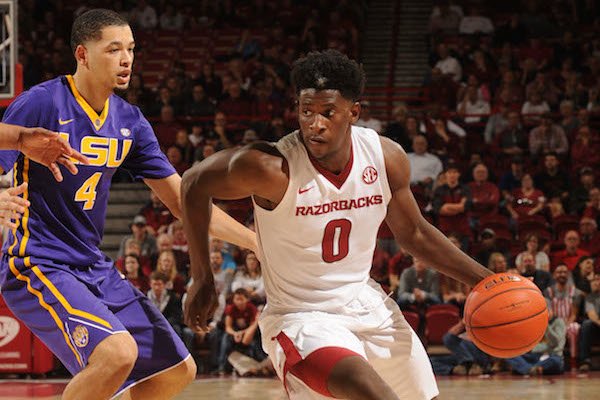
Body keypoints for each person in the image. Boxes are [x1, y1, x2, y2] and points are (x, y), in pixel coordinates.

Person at [181, 49, 493, 400]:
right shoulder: (270, 167)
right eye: (306, 112)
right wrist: (202, 276)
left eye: (328, 113)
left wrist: (489, 282)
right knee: (370, 392)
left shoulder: (385, 157)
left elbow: (415, 232)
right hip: (301, 317)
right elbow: (193, 183)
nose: (316, 124)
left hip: (368, 304)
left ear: (354, 112)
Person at [0, 10, 256, 400]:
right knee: (117, 354)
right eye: (114, 49)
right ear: (83, 55)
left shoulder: (131, 121)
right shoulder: (42, 103)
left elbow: (183, 201)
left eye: (132, 49)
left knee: (178, 369)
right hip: (37, 261)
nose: (127, 59)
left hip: (92, 265)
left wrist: (256, 242)